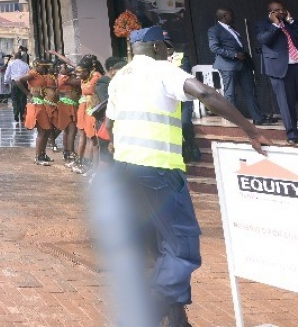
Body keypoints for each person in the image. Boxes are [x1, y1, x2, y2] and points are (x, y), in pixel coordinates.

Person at [107, 26, 270, 326]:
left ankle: (177, 322)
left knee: (160, 250)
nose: (168, 52)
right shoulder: (162, 70)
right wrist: (250, 130)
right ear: (157, 47)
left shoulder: (120, 78)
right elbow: (206, 92)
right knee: (182, 249)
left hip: (125, 172)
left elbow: (110, 125)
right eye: (166, 47)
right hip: (158, 172)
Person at [208, 8, 266, 124]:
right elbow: (214, 48)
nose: (233, 17)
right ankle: (233, 120)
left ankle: (258, 118)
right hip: (228, 65)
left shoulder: (231, 28)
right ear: (224, 16)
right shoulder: (214, 30)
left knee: (250, 91)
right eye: (231, 15)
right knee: (230, 93)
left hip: (243, 65)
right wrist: (234, 54)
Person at [254, 0, 298, 145]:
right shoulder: (263, 25)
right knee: (286, 103)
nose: (281, 12)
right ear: (271, 12)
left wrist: (291, 21)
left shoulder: (289, 23)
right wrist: (275, 24)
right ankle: (292, 135)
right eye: (277, 10)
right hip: (280, 69)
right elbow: (264, 40)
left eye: (283, 9)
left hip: (296, 65)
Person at [16, 59, 58, 165]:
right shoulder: (33, 73)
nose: (44, 68)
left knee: (47, 129)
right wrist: (28, 94)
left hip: (41, 103)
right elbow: (18, 80)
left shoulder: (40, 75)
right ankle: (38, 156)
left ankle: (42, 154)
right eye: (42, 66)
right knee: (42, 131)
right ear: (36, 65)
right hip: (36, 104)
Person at [4, 49, 30, 125]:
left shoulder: (11, 63)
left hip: (14, 82)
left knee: (15, 99)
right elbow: (28, 74)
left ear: (14, 56)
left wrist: (6, 82)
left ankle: (16, 113)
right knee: (23, 99)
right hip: (23, 83)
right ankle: (22, 115)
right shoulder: (25, 64)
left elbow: (7, 73)